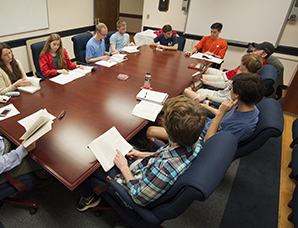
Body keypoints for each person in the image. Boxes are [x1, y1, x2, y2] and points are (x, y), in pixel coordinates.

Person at [76, 95, 206, 211]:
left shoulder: (164, 170)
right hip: (146, 168)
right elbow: (165, 154)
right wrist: (140, 154)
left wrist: (124, 168)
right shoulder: (195, 142)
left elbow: (137, 196)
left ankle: (88, 199)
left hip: (132, 187)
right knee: (127, 148)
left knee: (89, 164)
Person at [147, 73, 265, 144]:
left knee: (150, 131)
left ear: (237, 95)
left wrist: (220, 114)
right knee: (170, 105)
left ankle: (171, 151)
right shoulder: (247, 107)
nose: (230, 90)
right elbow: (222, 116)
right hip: (203, 123)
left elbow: (209, 143)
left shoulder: (243, 126)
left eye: (231, 88)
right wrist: (203, 106)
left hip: (197, 137)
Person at [183, 53, 263, 104]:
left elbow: (228, 100)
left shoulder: (243, 83)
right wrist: (207, 82)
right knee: (192, 86)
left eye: (241, 61)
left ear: (244, 66)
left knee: (185, 91)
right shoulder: (245, 77)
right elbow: (227, 84)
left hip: (215, 100)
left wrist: (206, 97)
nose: (240, 63)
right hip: (218, 94)